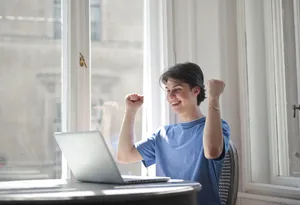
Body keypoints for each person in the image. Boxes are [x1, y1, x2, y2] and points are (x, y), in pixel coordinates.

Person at [117, 62, 230, 205]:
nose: (170, 96)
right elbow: (124, 156)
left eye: (177, 90)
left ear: (196, 91)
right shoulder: (163, 134)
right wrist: (130, 111)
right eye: (167, 90)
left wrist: (214, 97)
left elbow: (212, 151)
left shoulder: (217, 126)